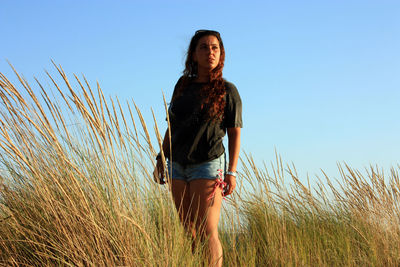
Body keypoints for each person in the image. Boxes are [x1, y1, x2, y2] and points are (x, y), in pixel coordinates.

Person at [155, 29, 242, 267]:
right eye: (203, 47)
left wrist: (231, 172)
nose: (209, 52)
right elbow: (172, 125)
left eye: (214, 47)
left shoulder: (228, 91)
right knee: (188, 229)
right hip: (177, 164)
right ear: (193, 54)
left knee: (207, 230)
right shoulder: (182, 86)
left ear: (221, 54)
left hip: (207, 163)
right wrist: (160, 157)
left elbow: (235, 132)